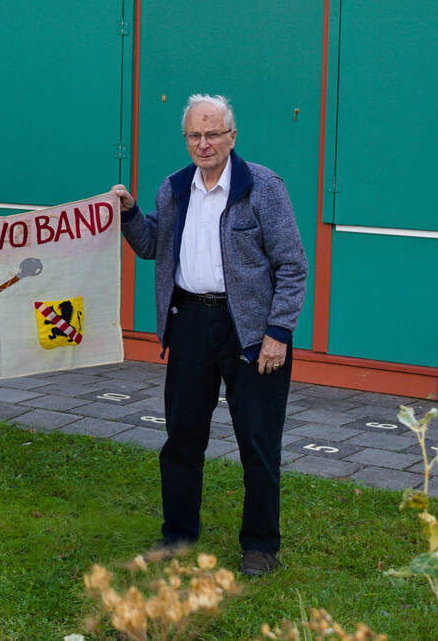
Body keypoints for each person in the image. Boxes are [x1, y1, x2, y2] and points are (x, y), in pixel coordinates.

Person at [111, 94, 307, 576]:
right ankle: (177, 536)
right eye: (195, 135)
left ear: (231, 136)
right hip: (190, 323)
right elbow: (155, 246)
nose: (204, 144)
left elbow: (293, 265)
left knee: (258, 441)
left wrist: (277, 332)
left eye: (213, 134)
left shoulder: (263, 187)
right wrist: (132, 213)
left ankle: (261, 546)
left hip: (251, 331)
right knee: (181, 437)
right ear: (186, 139)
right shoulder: (174, 188)